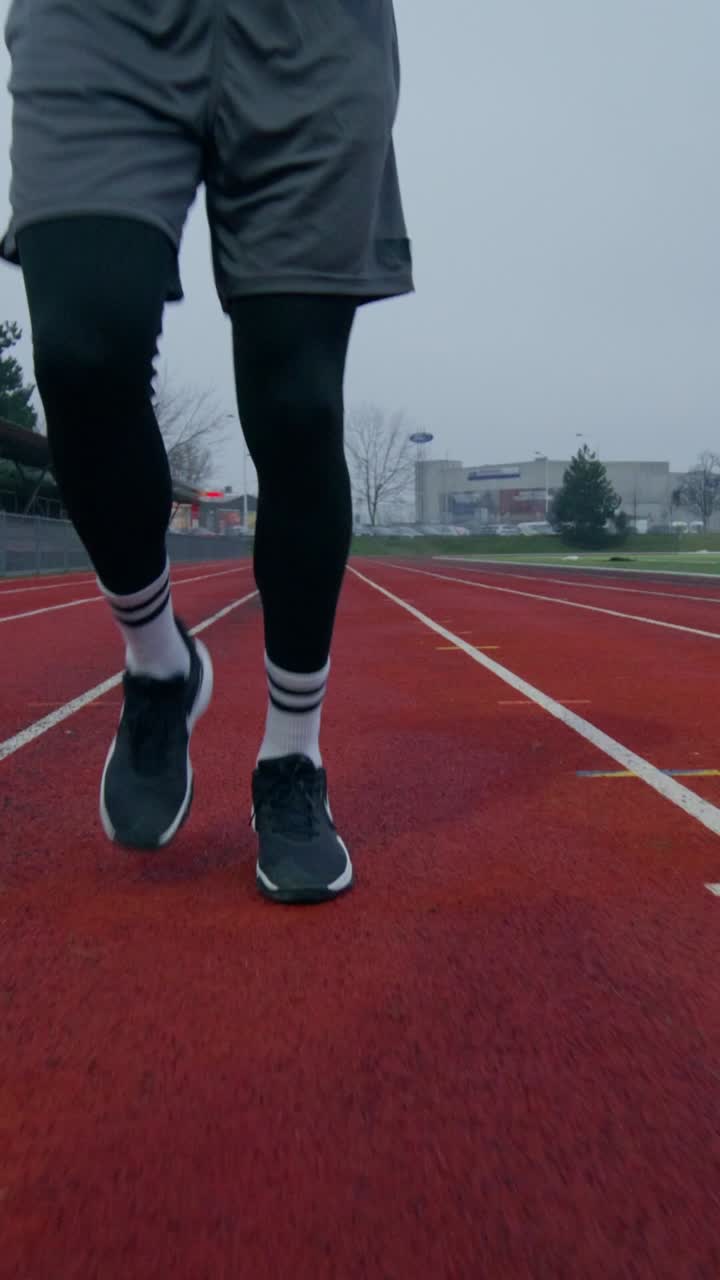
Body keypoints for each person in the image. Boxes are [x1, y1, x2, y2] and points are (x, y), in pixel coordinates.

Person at [1, 1, 413, 903]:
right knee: (82, 350)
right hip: (99, 21)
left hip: (311, 34)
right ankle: (159, 662)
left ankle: (291, 759)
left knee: (298, 405)